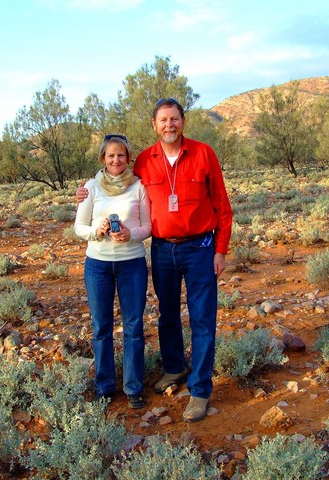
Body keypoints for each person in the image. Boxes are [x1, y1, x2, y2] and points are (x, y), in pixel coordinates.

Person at [77, 98, 233, 422]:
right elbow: (113, 175)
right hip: (162, 248)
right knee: (168, 314)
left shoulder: (204, 154)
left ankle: (200, 390)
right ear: (155, 125)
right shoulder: (146, 160)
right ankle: (175, 367)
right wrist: (85, 191)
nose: (169, 125)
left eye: (174, 119)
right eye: (163, 120)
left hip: (200, 247)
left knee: (203, 319)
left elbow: (222, 205)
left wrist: (220, 251)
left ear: (183, 121)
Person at [74, 134, 151, 409]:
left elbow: (148, 227)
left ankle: (133, 388)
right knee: (101, 327)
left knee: (133, 327)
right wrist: (97, 231)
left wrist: (131, 234)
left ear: (128, 158)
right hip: (98, 265)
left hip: (132, 264)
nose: (116, 160)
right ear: (103, 159)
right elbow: (79, 227)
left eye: (121, 155)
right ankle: (104, 387)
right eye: (110, 156)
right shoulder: (91, 188)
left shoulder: (139, 187)